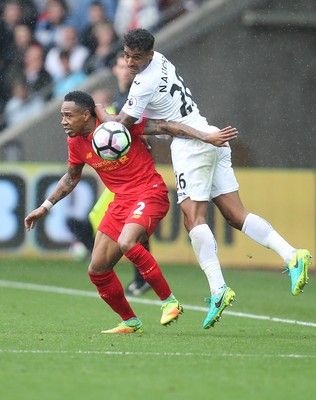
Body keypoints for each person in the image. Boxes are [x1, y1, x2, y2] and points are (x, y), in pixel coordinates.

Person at [96, 28, 312, 330]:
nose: (131, 63)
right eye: (128, 56)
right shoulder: (161, 60)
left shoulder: (142, 84)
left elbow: (121, 127)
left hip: (193, 144)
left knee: (193, 219)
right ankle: (293, 255)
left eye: (137, 58)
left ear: (148, 54)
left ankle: (218, 289)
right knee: (236, 215)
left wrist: (97, 113)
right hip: (209, 132)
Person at [24, 90, 236, 333]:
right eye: (62, 116)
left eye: (68, 116)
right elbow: (72, 178)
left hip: (150, 192)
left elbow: (165, 126)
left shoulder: (119, 125)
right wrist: (44, 207)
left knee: (128, 241)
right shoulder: (75, 141)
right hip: (121, 201)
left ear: (85, 115)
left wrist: (205, 136)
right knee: (97, 269)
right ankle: (130, 322)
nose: (63, 121)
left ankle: (169, 302)